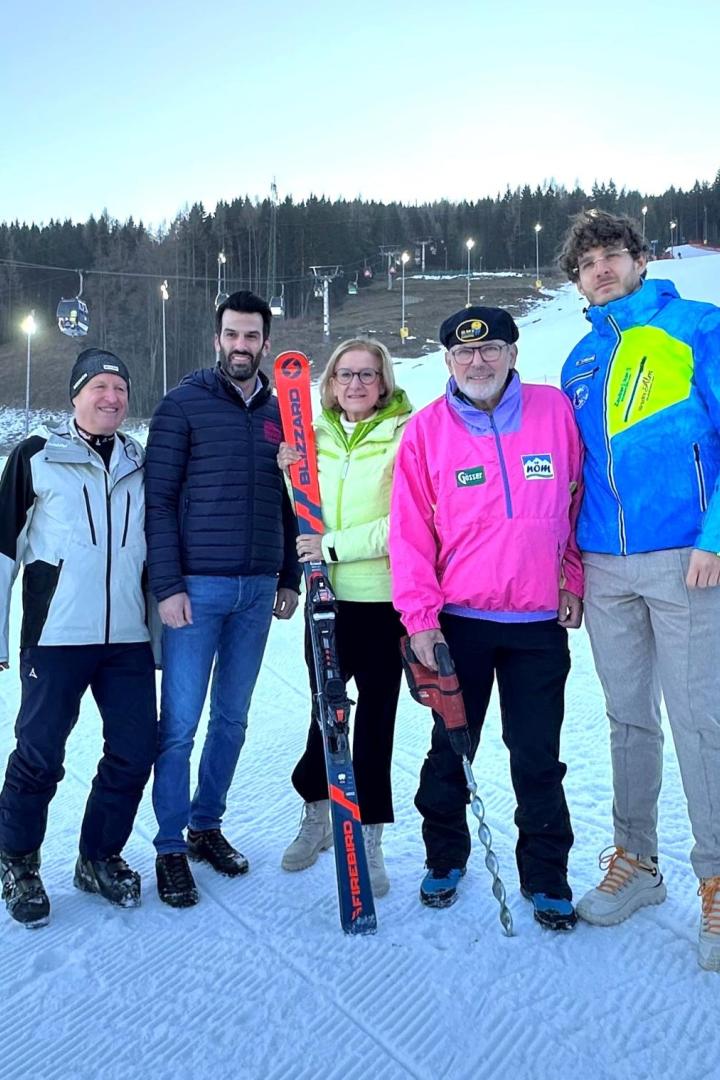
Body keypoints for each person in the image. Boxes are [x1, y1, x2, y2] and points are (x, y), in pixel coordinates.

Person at [559, 209, 720, 970]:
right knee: (629, 720)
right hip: (605, 565)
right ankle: (638, 863)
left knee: (700, 722)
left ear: (639, 259)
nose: (600, 269)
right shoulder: (580, 361)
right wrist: (573, 566)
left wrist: (715, 535)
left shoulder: (695, 325)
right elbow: (574, 472)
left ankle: (716, 879)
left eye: (610, 255)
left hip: (684, 557)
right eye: (586, 263)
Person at [389, 306, 584, 930]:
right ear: (448, 361)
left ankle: (546, 873)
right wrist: (420, 620)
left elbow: (580, 500)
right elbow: (410, 535)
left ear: (513, 353)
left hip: (536, 625)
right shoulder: (425, 431)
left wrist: (571, 577)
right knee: (451, 749)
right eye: (464, 353)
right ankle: (445, 855)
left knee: (536, 755)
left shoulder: (556, 413)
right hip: (458, 624)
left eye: (491, 348)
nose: (479, 361)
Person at [145, 290, 300, 908]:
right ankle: (167, 845)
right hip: (198, 589)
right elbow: (157, 503)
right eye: (231, 335)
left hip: (258, 588)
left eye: (252, 337)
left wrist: (287, 574)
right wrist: (169, 585)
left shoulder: (278, 412)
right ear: (217, 339)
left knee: (231, 720)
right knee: (179, 724)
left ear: (265, 341)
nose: (241, 346)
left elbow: (290, 500)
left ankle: (206, 825)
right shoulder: (182, 405)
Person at [0, 348, 157, 926]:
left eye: (120, 388)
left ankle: (98, 856)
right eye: (100, 387)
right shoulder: (36, 456)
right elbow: (3, 549)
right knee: (39, 754)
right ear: (75, 394)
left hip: (127, 639)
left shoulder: (141, 461)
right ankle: (17, 859)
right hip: (57, 637)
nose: (112, 398)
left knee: (135, 750)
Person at [278, 339, 412, 898]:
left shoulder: (406, 436)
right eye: (344, 375)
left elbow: (404, 524)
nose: (355, 384)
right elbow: (305, 513)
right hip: (325, 602)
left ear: (383, 382)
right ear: (330, 384)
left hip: (384, 601)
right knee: (324, 714)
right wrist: (290, 472)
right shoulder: (313, 438)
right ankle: (318, 812)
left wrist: (330, 547)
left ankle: (370, 833)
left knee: (376, 718)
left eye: (367, 375)